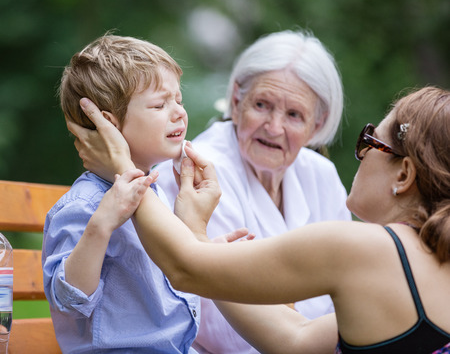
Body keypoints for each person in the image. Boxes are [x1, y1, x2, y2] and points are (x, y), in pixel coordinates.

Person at [74, 86, 450, 353]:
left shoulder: (366, 248)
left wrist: (122, 165)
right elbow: (295, 340)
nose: (362, 154)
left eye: (371, 142)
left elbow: (183, 268)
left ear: (403, 175)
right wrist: (198, 236)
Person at [72, 29, 352, 354]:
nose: (274, 128)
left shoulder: (321, 175)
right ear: (236, 99)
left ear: (318, 124)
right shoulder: (199, 167)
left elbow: (345, 289)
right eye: (261, 105)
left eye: (293, 115)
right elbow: (225, 333)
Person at [42, 34, 200, 353]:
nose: (179, 113)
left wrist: (205, 248)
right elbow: (70, 300)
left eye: (179, 101)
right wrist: (101, 226)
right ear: (109, 126)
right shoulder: (86, 205)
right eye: (159, 104)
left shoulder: (153, 192)